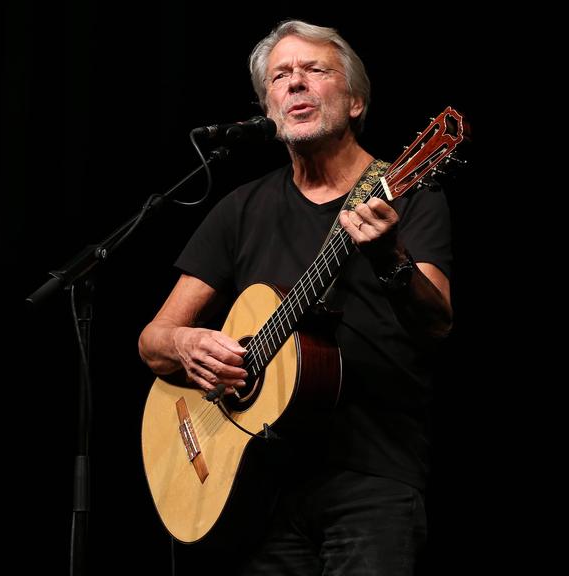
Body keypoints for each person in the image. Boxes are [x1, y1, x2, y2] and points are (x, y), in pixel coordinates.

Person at [139, 19, 453, 575]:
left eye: (314, 70)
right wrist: (188, 344)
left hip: (371, 475)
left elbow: (437, 324)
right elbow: (153, 341)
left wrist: (390, 258)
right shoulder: (240, 208)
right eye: (280, 76)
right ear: (268, 109)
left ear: (355, 101)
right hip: (256, 483)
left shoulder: (409, 192)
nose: (295, 83)